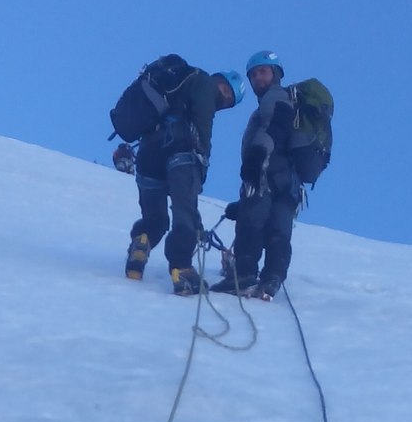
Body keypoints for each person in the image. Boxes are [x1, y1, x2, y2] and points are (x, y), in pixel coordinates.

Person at [117, 66, 241, 295]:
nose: (224, 96)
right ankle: (181, 268)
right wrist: (202, 160)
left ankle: (140, 245)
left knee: (155, 218)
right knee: (185, 214)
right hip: (180, 151)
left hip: (148, 150)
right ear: (218, 81)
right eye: (225, 90)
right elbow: (203, 122)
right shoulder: (204, 83)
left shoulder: (181, 86)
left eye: (229, 99)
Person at [215, 50, 299, 301]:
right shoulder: (288, 99)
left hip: (265, 172)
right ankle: (272, 278)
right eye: (253, 75)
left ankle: (243, 276)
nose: (257, 79)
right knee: (278, 230)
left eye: (262, 72)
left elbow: (272, 127)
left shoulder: (274, 98)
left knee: (251, 224)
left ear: (276, 74)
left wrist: (256, 159)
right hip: (290, 182)